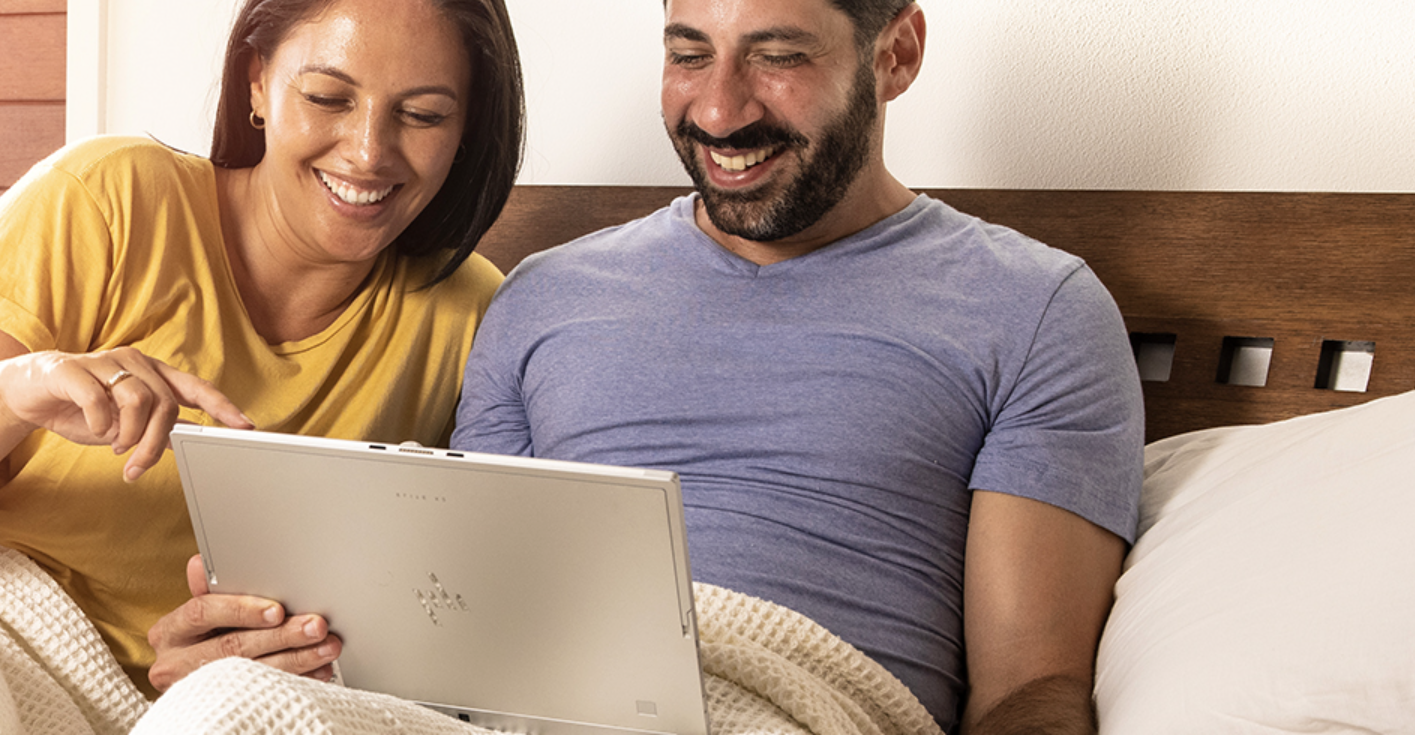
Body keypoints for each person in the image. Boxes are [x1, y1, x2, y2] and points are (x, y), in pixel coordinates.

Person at [438, 0, 1135, 732]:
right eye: (689, 55)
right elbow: (463, 625)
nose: (719, 111)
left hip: (806, 705)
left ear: (895, 54)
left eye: (778, 57)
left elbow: (1030, 688)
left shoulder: (1035, 308)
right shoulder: (542, 296)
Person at [0, 0, 525, 695]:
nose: (369, 152)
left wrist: (252, 664)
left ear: (467, 127)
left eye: (422, 115)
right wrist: (5, 395)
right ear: (257, 83)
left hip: (199, 704)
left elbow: (454, 613)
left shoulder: (473, 316)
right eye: (327, 98)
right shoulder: (107, 198)